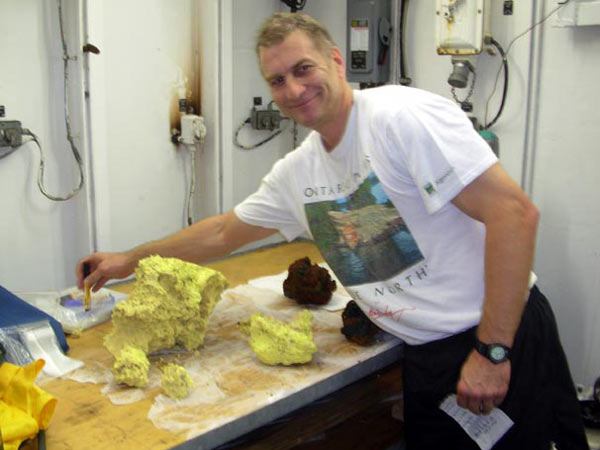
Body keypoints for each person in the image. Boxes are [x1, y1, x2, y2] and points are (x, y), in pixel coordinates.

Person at [77, 12, 589, 449]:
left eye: (304, 69)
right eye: (277, 81)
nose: (293, 90)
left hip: (496, 337)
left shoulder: (399, 119)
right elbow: (221, 233)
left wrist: (492, 352)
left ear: (337, 62)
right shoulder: (299, 172)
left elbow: (514, 215)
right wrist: (128, 259)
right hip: (428, 355)